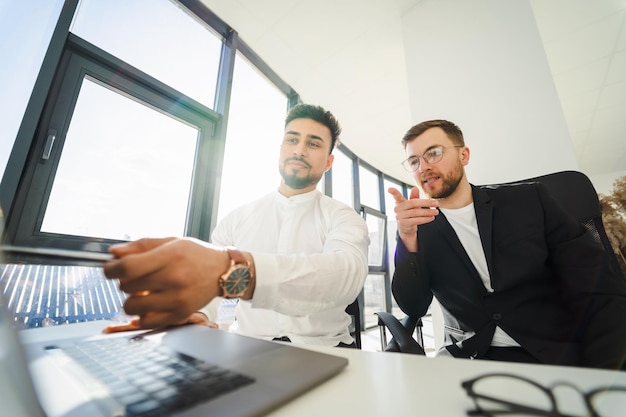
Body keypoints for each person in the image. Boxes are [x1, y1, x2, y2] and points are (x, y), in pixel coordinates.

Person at [103, 104, 369, 348]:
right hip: (248, 347)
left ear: (329, 161)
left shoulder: (343, 218)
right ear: (280, 149)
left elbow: (345, 276)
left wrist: (238, 271)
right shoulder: (238, 217)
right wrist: (199, 313)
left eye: (313, 143)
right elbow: (209, 285)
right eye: (292, 140)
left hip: (327, 349)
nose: (299, 149)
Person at [389, 119, 626, 369]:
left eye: (433, 153)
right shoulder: (419, 230)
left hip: (551, 351)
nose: (423, 167)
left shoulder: (529, 200)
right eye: (414, 161)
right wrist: (406, 238)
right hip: (471, 358)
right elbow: (413, 306)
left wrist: (606, 374)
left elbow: (596, 284)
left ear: (464, 155)